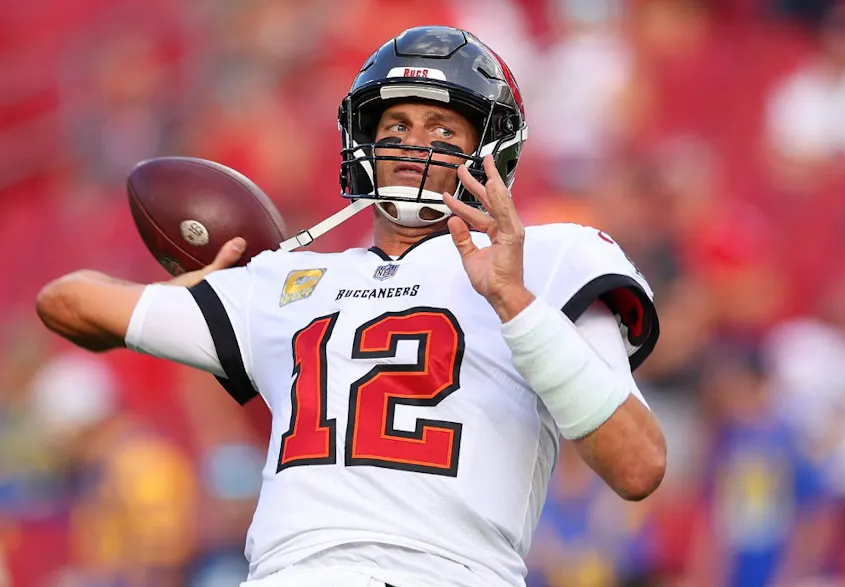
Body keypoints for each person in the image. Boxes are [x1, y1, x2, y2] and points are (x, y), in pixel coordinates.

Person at [36, 26, 666, 587]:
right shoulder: (286, 283)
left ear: (489, 152)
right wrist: (202, 286)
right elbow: (66, 302)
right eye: (396, 125)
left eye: (443, 129)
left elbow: (638, 465)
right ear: (364, 140)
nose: (413, 144)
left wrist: (516, 302)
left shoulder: (551, 256)